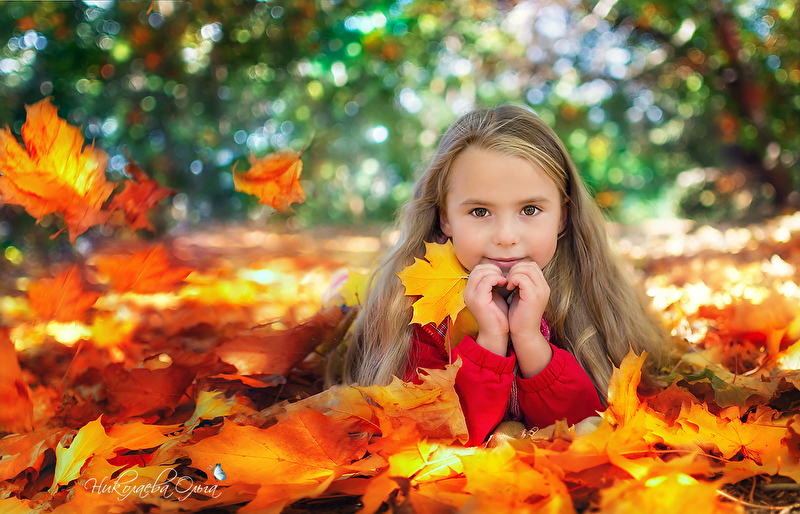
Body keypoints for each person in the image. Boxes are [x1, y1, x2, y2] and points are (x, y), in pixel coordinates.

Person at [337, 105, 670, 445]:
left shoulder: (585, 291)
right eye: (480, 211)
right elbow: (438, 437)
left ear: (563, 217)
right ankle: (344, 297)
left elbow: (585, 428)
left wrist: (528, 338)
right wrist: (491, 341)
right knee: (346, 301)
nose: (506, 236)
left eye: (530, 210)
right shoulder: (414, 307)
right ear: (445, 218)